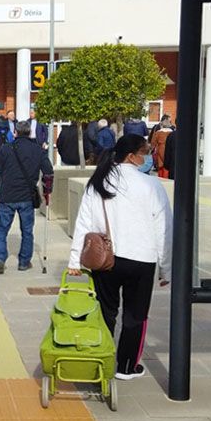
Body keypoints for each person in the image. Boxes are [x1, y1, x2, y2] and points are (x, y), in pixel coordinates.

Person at [67, 133, 171, 380]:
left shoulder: (100, 181)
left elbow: (84, 223)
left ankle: (101, 361)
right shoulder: (152, 185)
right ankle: (126, 366)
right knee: (136, 316)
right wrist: (166, 268)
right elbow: (164, 228)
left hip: (106, 259)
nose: (148, 157)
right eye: (145, 152)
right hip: (142, 260)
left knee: (105, 312)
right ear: (132, 156)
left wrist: (74, 261)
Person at [0, 120, 53, 273]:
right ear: (30, 132)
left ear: (15, 132)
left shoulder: (5, 149)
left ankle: (0, 259)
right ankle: (24, 262)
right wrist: (47, 191)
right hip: (27, 196)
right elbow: (48, 173)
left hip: (7, 195)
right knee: (27, 230)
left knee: (2, 229)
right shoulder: (38, 150)